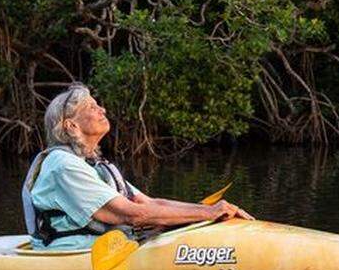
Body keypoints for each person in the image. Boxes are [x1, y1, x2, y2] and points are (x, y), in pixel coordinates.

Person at [22, 84, 253, 250]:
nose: (102, 110)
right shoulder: (62, 165)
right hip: (72, 254)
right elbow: (133, 215)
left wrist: (207, 211)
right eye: (92, 107)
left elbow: (150, 204)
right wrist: (208, 213)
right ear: (71, 125)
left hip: (109, 244)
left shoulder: (92, 164)